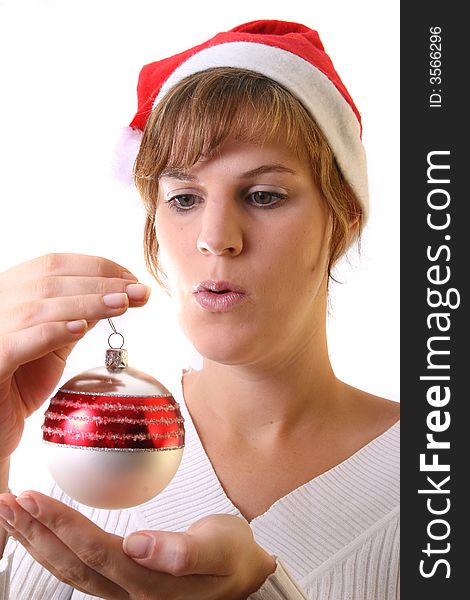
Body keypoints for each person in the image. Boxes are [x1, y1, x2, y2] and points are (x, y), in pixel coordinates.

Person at [0, 19, 399, 600]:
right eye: (184, 198)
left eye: (263, 195)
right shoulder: (85, 461)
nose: (217, 237)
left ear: (344, 217)